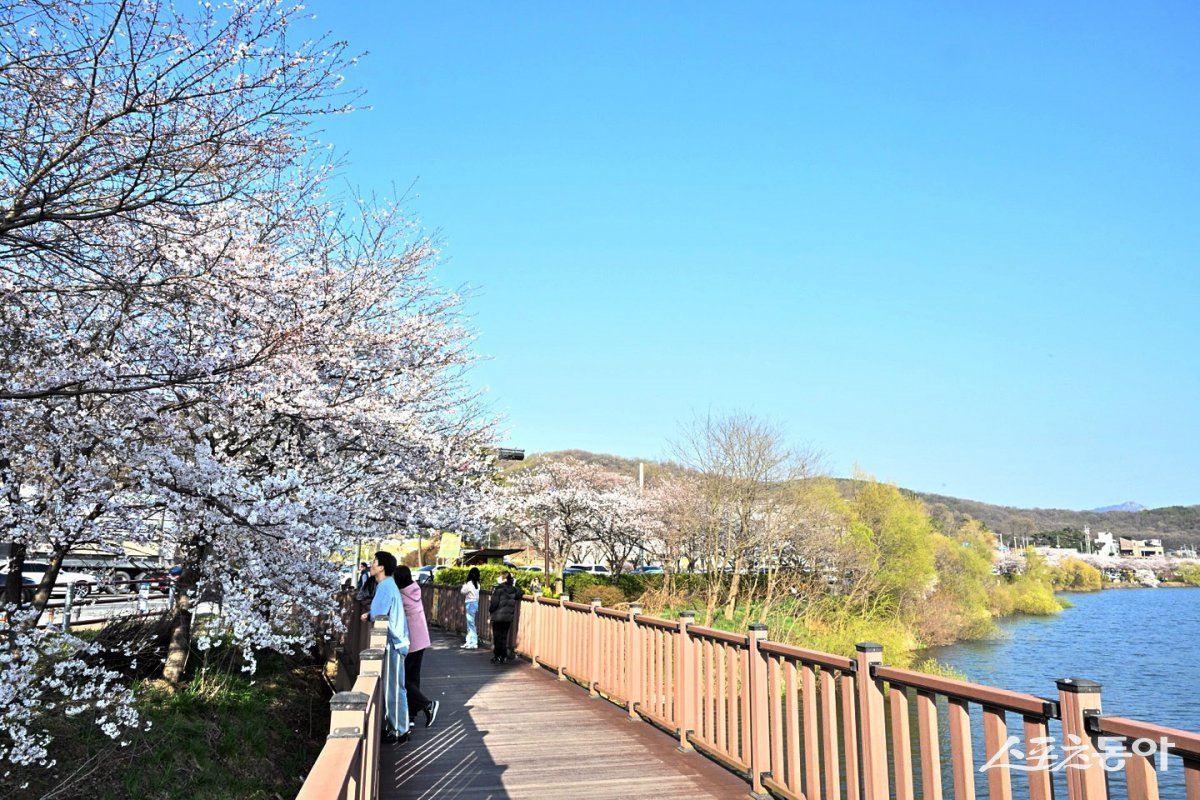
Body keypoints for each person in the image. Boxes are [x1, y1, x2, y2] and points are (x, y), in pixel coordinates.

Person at [360, 551, 409, 743]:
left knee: (394, 688)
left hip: (394, 643)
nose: (371, 565)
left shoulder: (385, 586)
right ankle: (395, 727)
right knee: (393, 686)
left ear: (381, 567)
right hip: (396, 642)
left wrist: (368, 615)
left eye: (374, 562)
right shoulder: (388, 585)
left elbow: (378, 612)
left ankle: (400, 730)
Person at [396, 565, 439, 729]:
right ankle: (411, 715)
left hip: (411, 641)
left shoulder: (400, 595)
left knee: (403, 679)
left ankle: (427, 705)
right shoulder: (414, 589)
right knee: (413, 677)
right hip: (422, 639)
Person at [488, 570, 521, 665]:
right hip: (508, 617)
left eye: (500, 577)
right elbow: (519, 593)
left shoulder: (498, 589)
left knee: (497, 637)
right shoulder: (514, 589)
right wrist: (514, 584)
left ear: (504, 579)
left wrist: (491, 611)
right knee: (504, 636)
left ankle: (497, 656)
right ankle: (504, 656)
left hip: (497, 616)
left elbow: (494, 603)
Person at [460, 567, 481, 649]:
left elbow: (463, 591)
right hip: (475, 603)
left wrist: (463, 585)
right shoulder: (478, 584)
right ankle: (469, 641)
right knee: (470, 623)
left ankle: (473, 642)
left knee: (470, 624)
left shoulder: (469, 584)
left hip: (470, 603)